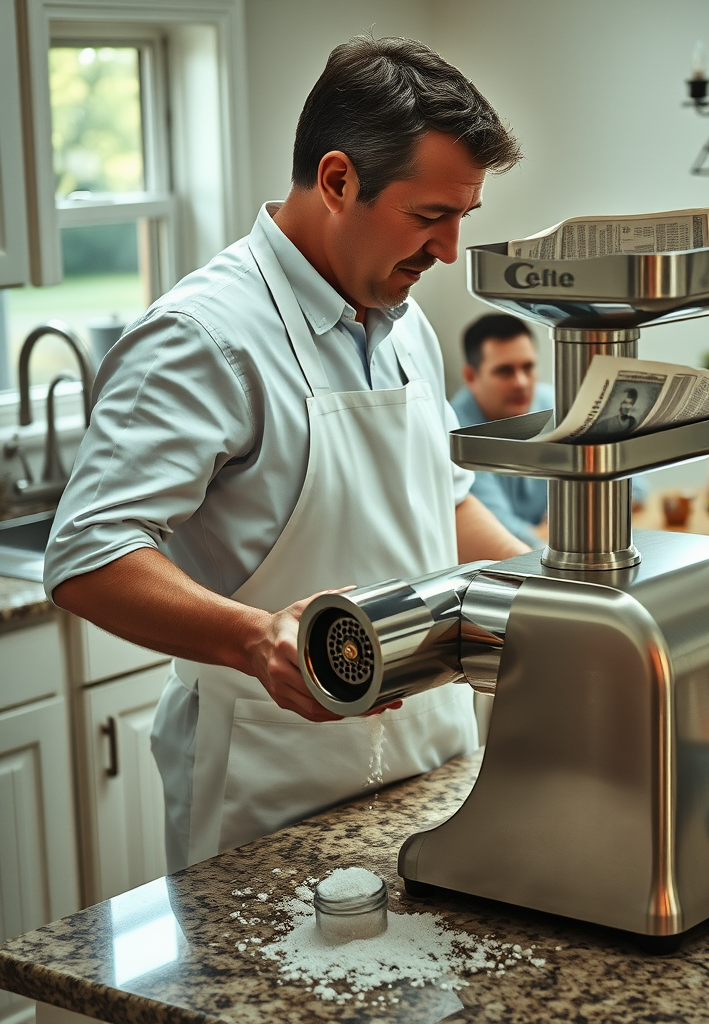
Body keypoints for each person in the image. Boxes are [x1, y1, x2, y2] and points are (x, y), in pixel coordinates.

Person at [44, 36, 529, 872]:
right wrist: (254, 638)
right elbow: (88, 554)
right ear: (338, 180)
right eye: (429, 216)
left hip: (432, 766)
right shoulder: (204, 337)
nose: (450, 250)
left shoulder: (403, 318)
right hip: (270, 788)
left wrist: (562, 602)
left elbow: (440, 503)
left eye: (463, 218)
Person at [450, 314, 553, 547]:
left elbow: (632, 489)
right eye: (505, 371)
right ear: (471, 377)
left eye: (528, 368)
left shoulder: (556, 404)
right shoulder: (458, 434)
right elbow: (498, 529)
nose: (521, 383)